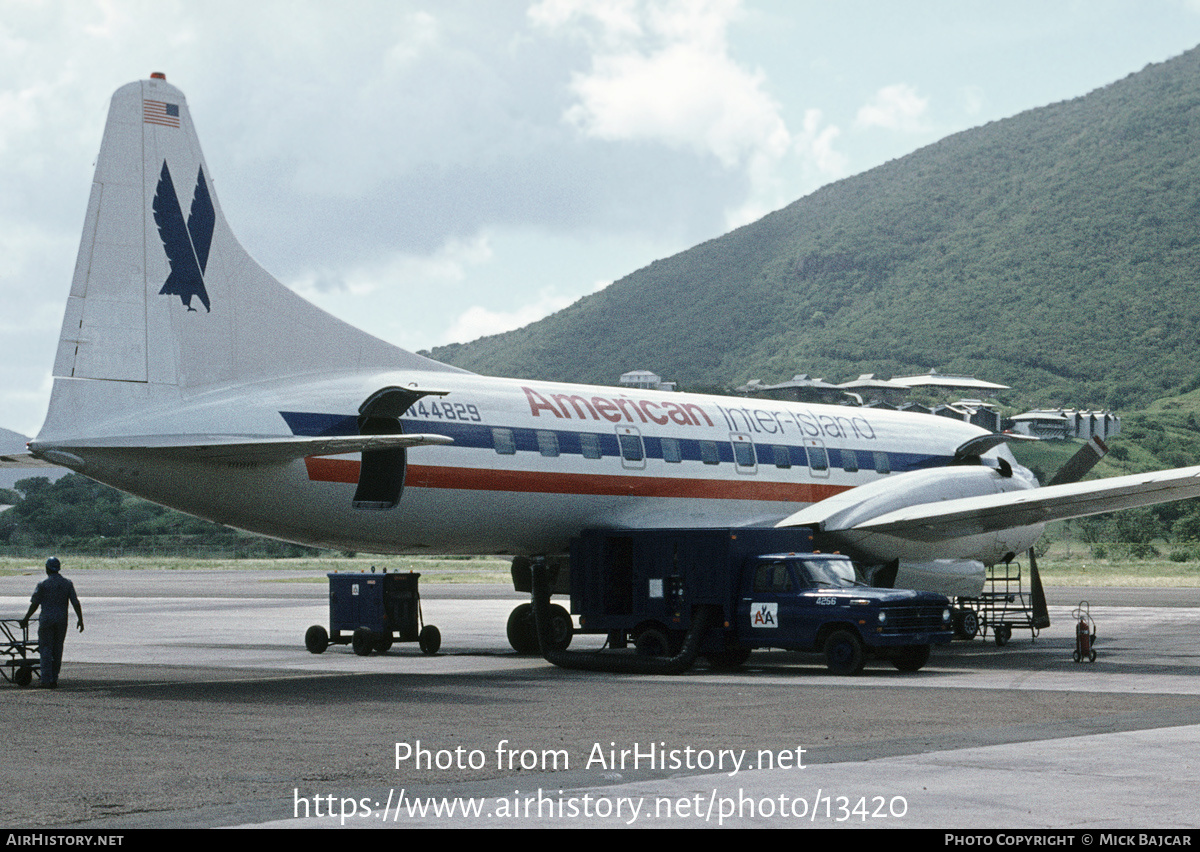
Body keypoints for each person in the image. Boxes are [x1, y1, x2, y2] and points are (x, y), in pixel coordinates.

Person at [19, 557, 84, 689]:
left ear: (47, 568)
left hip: (47, 620)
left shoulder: (43, 584)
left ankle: (45, 678)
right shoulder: (67, 583)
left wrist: (26, 618)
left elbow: (35, 604)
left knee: (46, 649)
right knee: (58, 648)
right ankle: (54, 678)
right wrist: (80, 619)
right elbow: (75, 602)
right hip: (61, 620)